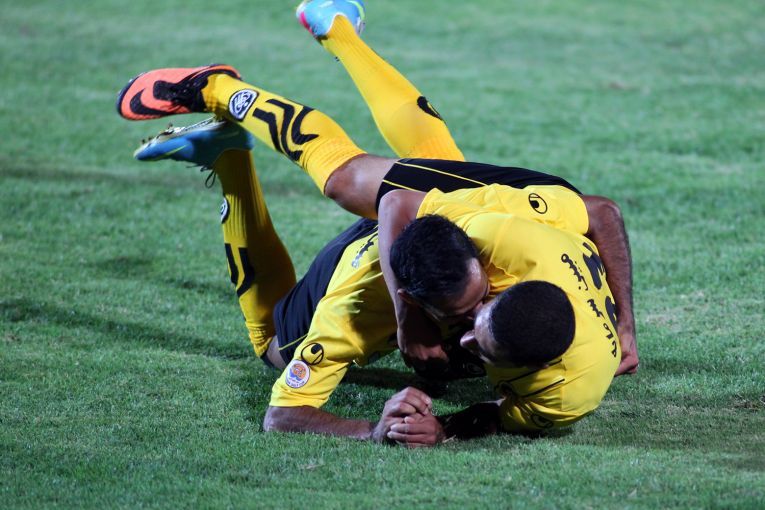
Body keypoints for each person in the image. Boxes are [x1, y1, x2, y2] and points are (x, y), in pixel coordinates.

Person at [119, 0, 637, 443]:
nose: (464, 337)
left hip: (484, 220)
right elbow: (397, 204)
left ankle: (331, 31)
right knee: (340, 199)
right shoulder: (374, 298)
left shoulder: (517, 269)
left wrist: (625, 328)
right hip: (382, 258)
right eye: (467, 321)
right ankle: (216, 92)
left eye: (477, 309)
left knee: (439, 163)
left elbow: (601, 213)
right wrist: (405, 328)